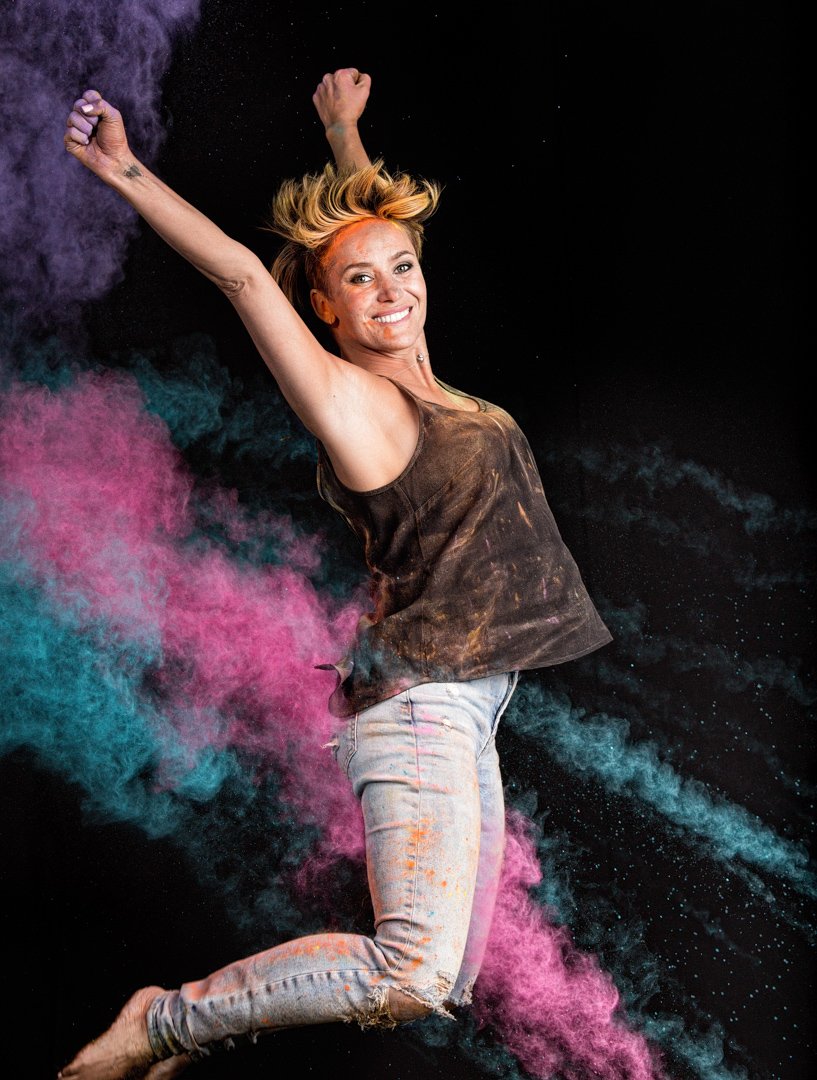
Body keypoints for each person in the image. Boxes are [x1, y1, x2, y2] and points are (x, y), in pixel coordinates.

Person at [58, 68, 612, 1079]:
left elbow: (378, 240)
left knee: (438, 985)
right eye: (358, 282)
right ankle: (165, 1021)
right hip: (419, 708)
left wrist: (345, 134)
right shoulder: (354, 405)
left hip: (466, 705)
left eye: (403, 269)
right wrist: (125, 171)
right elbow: (242, 276)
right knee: (408, 973)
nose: (391, 289)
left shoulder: (437, 389)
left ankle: (182, 1027)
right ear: (322, 308)